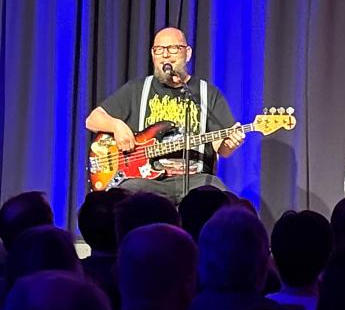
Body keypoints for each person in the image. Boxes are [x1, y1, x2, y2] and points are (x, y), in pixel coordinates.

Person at [85, 27, 245, 201]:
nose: (165, 55)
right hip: (145, 180)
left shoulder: (207, 94)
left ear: (188, 53)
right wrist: (117, 126)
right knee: (124, 195)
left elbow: (222, 149)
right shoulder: (137, 89)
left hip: (195, 180)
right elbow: (92, 120)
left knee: (220, 196)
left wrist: (230, 144)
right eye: (159, 50)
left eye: (173, 48)